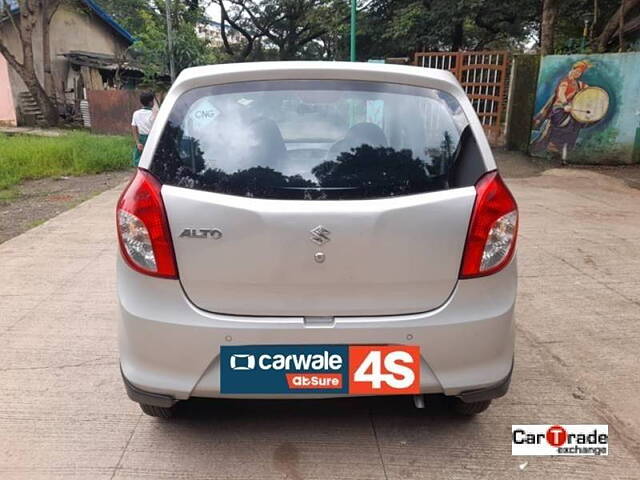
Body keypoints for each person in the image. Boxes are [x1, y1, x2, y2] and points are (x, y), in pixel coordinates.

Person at [531, 60, 592, 154]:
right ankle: (553, 146)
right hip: (560, 108)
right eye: (576, 71)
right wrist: (565, 105)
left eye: (580, 72)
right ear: (572, 69)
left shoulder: (579, 84)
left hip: (572, 110)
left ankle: (565, 149)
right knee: (564, 122)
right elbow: (561, 94)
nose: (577, 73)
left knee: (577, 123)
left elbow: (589, 91)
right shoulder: (565, 81)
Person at [131, 91, 156, 166]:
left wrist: (138, 142)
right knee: (152, 160)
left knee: (139, 161)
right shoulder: (154, 114)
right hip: (152, 139)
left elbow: (134, 128)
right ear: (151, 102)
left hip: (141, 139)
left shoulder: (136, 113)